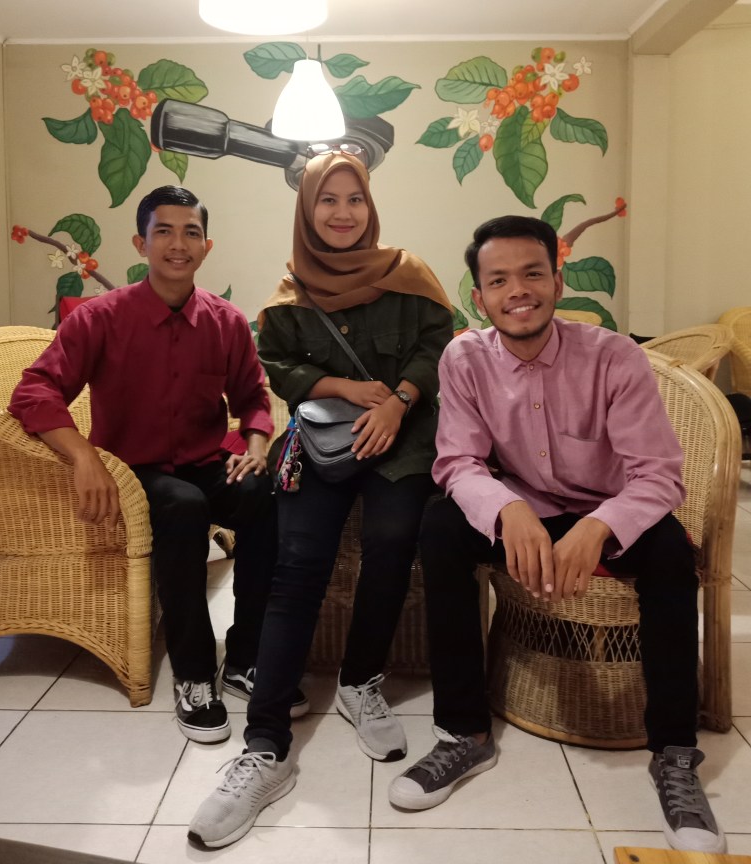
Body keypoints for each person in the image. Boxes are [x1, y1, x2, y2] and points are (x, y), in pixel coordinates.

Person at [388, 214, 726, 855]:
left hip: (609, 507)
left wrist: (599, 527)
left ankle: (675, 754)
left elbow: (658, 475)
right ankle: (465, 733)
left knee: (670, 554)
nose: (518, 290)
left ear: (557, 281)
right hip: (527, 505)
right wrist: (507, 509)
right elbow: (457, 462)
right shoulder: (465, 359)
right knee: (440, 528)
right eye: (499, 280)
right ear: (479, 296)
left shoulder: (614, 357)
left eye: (532, 274)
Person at [188, 147, 454, 849]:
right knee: (296, 565)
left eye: (354, 199)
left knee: (393, 541)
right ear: (307, 211)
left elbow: (438, 344)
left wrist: (397, 401)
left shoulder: (410, 275)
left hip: (402, 438)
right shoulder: (289, 295)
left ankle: (360, 680)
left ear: (371, 205)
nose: (342, 213)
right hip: (323, 440)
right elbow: (279, 366)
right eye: (327, 201)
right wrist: (343, 388)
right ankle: (265, 746)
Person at [8, 184, 283, 746]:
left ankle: (246, 657)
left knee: (263, 495)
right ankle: (194, 675)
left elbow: (253, 398)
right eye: (164, 232)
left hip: (206, 460)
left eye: (191, 233)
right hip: (134, 469)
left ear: (206, 246)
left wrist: (256, 446)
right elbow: (35, 391)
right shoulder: (99, 318)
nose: (178, 244)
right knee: (183, 507)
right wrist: (83, 455)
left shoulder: (227, 322)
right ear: (141, 243)